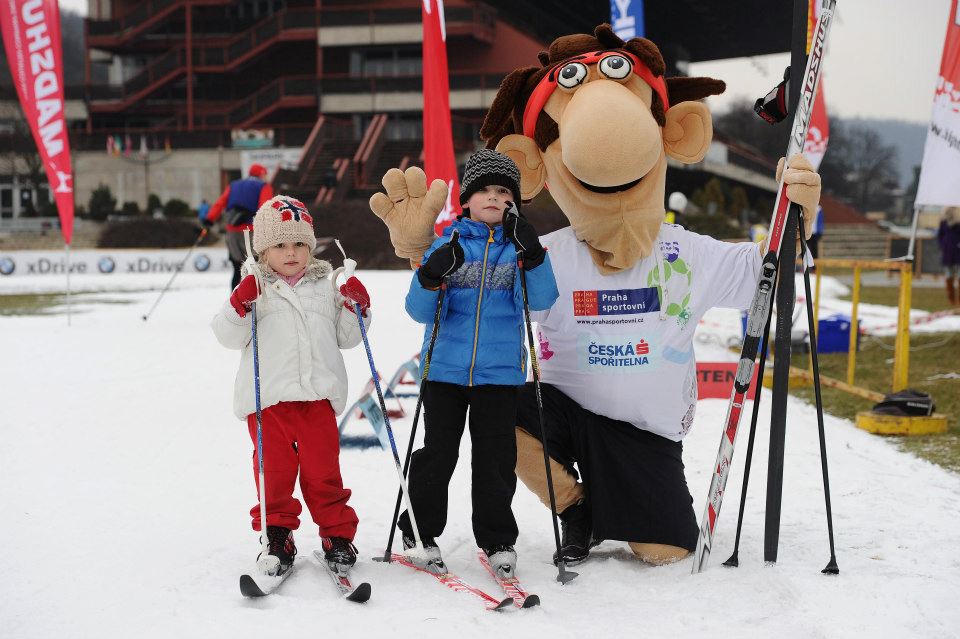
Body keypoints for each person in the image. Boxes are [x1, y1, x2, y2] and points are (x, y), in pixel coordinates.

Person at [370, 25, 821, 569]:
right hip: (562, 417)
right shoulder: (546, 253)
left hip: (644, 434)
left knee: (666, 550)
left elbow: (769, 273)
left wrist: (798, 217)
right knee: (499, 406)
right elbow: (470, 288)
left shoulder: (686, 253)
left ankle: (623, 501)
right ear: (538, 165)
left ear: (671, 134)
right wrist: (421, 251)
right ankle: (575, 506)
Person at [396, 149, 559, 578]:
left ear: (515, 203)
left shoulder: (520, 249)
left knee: (495, 458)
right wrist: (431, 275)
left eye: (504, 191)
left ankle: (498, 539)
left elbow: (541, 302)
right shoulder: (445, 244)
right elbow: (418, 310)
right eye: (484, 189)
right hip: (444, 371)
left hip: (499, 373)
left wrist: (536, 255)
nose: (493, 197)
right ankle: (418, 531)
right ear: (466, 199)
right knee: (438, 455)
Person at [211, 195, 372, 577]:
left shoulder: (325, 287)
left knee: (323, 474)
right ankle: (277, 534)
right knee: (274, 474)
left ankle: (337, 536)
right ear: (263, 249)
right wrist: (238, 305)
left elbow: (348, 338)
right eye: (280, 245)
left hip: (316, 400)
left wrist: (357, 310)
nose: (291, 252)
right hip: (269, 403)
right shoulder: (255, 286)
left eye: (300, 243)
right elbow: (226, 335)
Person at [203, 163, 274, 288]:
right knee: (256, 269)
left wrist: (209, 219)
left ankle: (234, 301)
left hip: (232, 232)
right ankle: (256, 301)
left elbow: (220, 203)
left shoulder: (234, 185)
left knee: (237, 269)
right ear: (262, 174)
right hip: (252, 232)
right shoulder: (263, 186)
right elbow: (265, 208)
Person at [938, 207, 960, 306]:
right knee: (948, 275)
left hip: (958, 253)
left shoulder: (958, 224)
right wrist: (943, 245)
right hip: (947, 253)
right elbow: (940, 236)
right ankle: (951, 299)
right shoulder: (943, 223)